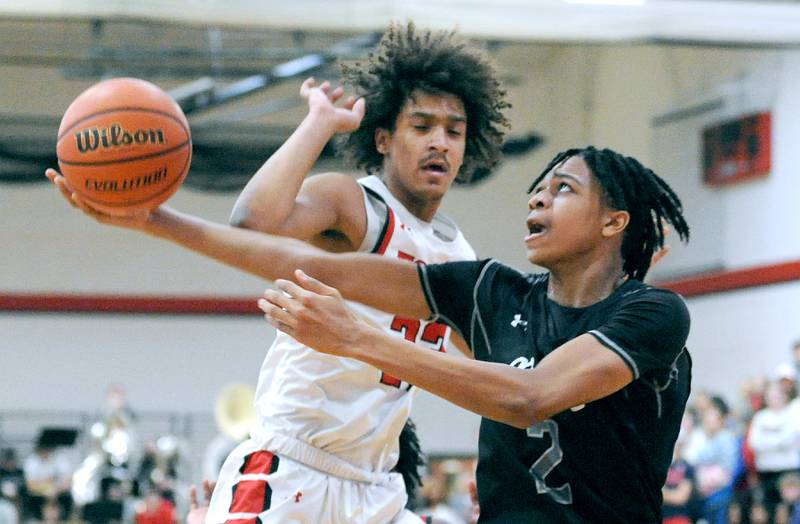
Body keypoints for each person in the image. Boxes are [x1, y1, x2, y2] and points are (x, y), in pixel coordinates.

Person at [48, 142, 689, 522]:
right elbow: (315, 266)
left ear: (614, 223)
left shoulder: (653, 315)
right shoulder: (491, 292)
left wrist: (357, 339)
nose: (537, 201)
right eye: (537, 189)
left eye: (562, 190)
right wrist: (153, 220)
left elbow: (526, 398)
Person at [48, 21, 509, 524]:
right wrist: (318, 124)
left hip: (376, 487)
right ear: (383, 137)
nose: (439, 142)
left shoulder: (463, 258)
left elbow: (492, 373)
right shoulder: (357, 205)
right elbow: (255, 221)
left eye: (453, 130)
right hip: (291, 466)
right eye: (422, 127)